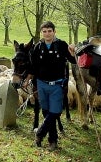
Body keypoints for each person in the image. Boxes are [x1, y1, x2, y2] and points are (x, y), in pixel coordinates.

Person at [30, 21, 75, 150]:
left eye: (50, 31)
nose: (47, 33)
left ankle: (40, 132)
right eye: (44, 31)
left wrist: (73, 53)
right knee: (46, 112)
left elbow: (73, 61)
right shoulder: (37, 47)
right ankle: (53, 141)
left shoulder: (61, 45)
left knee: (54, 112)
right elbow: (33, 67)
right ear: (41, 33)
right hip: (42, 84)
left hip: (57, 84)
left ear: (54, 32)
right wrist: (28, 78)